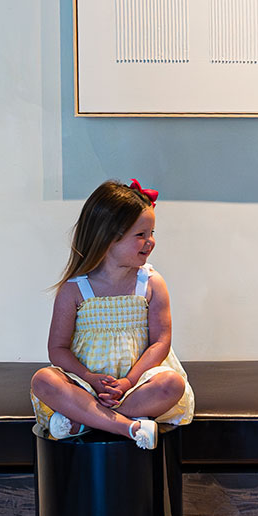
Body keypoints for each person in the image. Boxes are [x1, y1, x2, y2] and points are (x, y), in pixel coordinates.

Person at [30, 179, 194, 449]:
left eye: (152, 233)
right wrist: (89, 377)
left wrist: (129, 380)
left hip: (137, 382)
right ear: (107, 237)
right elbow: (57, 348)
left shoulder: (151, 283)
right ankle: (127, 426)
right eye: (140, 235)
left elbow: (160, 342)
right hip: (85, 384)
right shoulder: (75, 289)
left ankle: (85, 420)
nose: (150, 242)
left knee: (171, 384)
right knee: (43, 380)